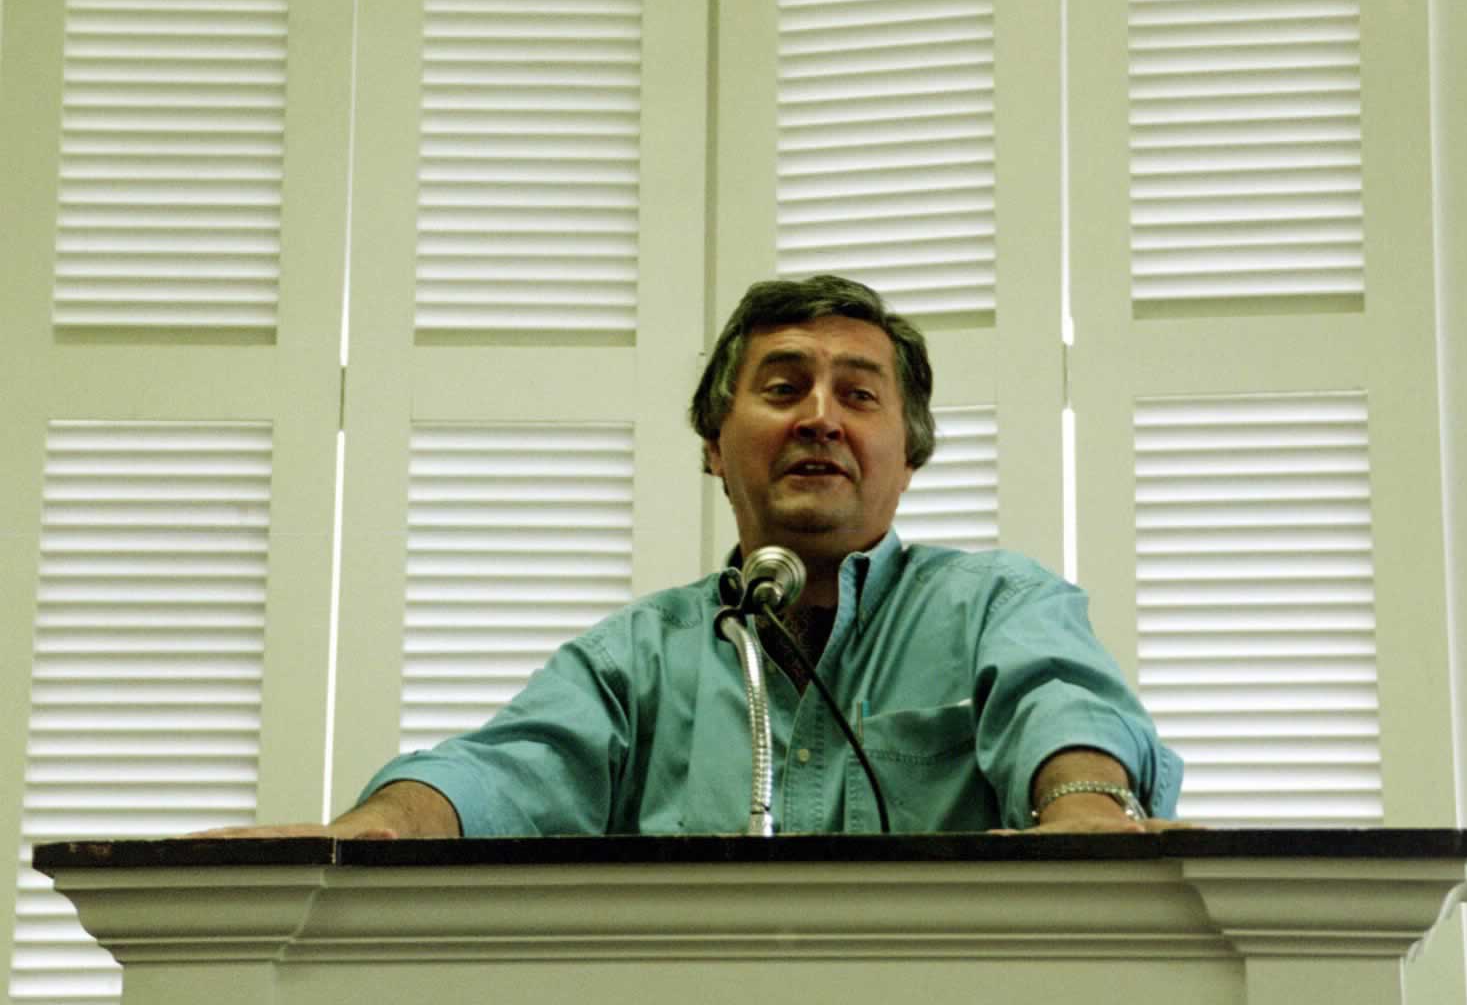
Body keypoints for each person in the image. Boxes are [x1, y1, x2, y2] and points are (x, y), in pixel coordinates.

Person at [205, 275, 1184, 840]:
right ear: (715, 443)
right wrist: (381, 827)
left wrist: (1083, 805)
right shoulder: (637, 657)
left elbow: (1061, 702)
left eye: (858, 394)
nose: (817, 417)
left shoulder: (998, 601)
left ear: (909, 453)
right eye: (785, 384)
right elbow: (513, 767)